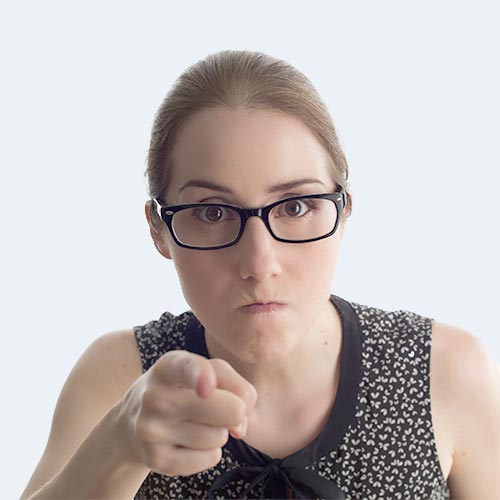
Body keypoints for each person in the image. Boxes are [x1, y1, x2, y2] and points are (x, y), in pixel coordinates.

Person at [21, 50, 499, 500]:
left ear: (344, 211)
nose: (259, 264)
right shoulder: (118, 375)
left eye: (295, 206)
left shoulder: (447, 371)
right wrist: (119, 444)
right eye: (212, 213)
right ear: (158, 230)